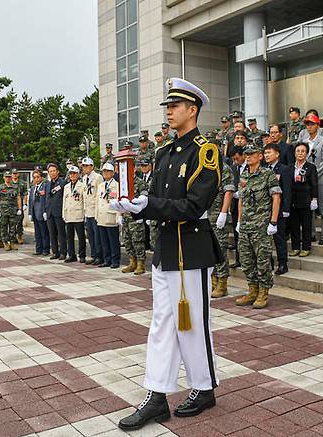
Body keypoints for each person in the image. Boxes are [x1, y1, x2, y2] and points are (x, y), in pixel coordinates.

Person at [111, 78, 222, 430]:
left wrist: (148, 205)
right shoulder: (164, 153)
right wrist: (133, 205)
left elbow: (192, 206)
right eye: (167, 106)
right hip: (166, 249)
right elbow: (156, 199)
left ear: (193, 110)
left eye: (175, 106)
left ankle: (203, 388)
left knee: (192, 326)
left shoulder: (205, 151)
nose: (169, 111)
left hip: (191, 249)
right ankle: (157, 396)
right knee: (162, 323)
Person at [235, 144, 281, 308]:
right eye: (246, 154)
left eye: (252, 154)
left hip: (261, 226)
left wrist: (273, 222)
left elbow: (276, 197)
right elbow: (241, 199)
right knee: (246, 260)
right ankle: (252, 290)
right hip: (246, 226)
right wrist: (239, 221)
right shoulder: (244, 175)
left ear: (260, 156)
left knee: (262, 261)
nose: (248, 157)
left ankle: (263, 292)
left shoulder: (267, 174)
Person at [263, 143, 292, 275]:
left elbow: (286, 190)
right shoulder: (263, 169)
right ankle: (269, 263)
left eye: (269, 152)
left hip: (279, 210)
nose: (266, 155)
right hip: (265, 209)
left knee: (279, 238)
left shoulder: (284, 169)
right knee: (265, 239)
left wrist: (285, 208)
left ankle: (282, 263)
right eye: (265, 153)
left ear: (277, 154)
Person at [304, 114, 323, 245]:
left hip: (320, 178)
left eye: (312, 124)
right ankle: (311, 233)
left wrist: (313, 175)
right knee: (310, 208)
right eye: (307, 124)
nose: (309, 126)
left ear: (317, 125)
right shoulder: (304, 141)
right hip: (307, 179)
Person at [209, 159, 235, 298]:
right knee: (208, 250)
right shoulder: (204, 166)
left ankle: (222, 283)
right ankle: (213, 281)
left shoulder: (223, 168)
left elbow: (229, 191)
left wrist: (224, 213)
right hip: (206, 215)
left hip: (218, 215)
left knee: (220, 249)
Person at [289, 143, 318, 257]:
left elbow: (314, 184)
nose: (300, 153)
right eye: (298, 151)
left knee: (306, 226)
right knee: (294, 226)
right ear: (294, 153)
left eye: (303, 151)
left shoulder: (311, 167)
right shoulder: (290, 167)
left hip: (306, 201)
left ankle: (306, 247)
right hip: (293, 201)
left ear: (307, 153)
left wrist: (314, 199)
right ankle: (295, 247)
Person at [120, 170, 149, 275]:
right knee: (127, 241)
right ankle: (132, 262)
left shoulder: (140, 183)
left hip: (136, 217)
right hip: (125, 216)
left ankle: (141, 264)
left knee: (138, 241)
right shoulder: (124, 184)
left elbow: (144, 197)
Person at [96, 162, 120, 268]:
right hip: (101, 216)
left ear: (112, 172)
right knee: (104, 241)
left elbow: (118, 201)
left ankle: (115, 260)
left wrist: (119, 216)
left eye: (108, 171)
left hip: (111, 216)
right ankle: (107, 259)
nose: (105, 173)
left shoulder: (116, 185)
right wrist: (96, 215)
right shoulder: (101, 185)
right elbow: (98, 201)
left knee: (113, 240)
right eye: (104, 171)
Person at [62, 166, 86, 263]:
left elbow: (84, 201)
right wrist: (64, 213)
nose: (72, 175)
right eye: (70, 173)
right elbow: (64, 201)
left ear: (78, 174)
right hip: (69, 215)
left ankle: (82, 255)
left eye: (74, 173)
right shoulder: (66, 187)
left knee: (81, 237)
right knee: (69, 237)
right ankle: (71, 255)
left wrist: (84, 214)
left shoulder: (82, 186)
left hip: (78, 214)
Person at [81, 157, 102, 265]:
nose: (84, 168)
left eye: (86, 166)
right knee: (90, 236)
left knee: (97, 235)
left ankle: (99, 256)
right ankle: (93, 255)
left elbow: (100, 195)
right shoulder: (84, 178)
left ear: (92, 166)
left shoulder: (98, 177)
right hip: (88, 211)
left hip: (96, 210)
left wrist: (98, 211)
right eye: (83, 166)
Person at [229, 146, 247, 268]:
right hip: (235, 205)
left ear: (243, 156)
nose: (235, 161)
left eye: (237, 158)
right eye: (233, 159)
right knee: (237, 234)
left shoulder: (251, 165)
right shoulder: (234, 167)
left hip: (248, 206)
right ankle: (238, 259)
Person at [0, 171, 22, 251]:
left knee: (13, 227)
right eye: (6, 177)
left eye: (9, 176)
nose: (8, 178)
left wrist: (19, 208)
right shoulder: (0, 187)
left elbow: (18, 198)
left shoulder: (15, 187)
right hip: (3, 211)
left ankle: (12, 242)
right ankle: (5, 243)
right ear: (3, 177)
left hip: (13, 210)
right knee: (3, 227)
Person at [45, 163, 67, 260]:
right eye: (50, 171)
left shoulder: (63, 183)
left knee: (61, 234)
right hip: (50, 212)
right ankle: (55, 252)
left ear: (57, 171)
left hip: (59, 212)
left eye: (54, 171)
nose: (52, 173)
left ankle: (63, 252)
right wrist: (45, 210)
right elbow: (47, 198)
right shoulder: (48, 184)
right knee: (52, 233)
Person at [29, 169, 50, 256]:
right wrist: (30, 212)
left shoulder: (45, 186)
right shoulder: (33, 187)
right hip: (35, 213)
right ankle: (38, 249)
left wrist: (45, 211)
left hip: (41, 212)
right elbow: (31, 201)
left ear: (41, 177)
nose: (36, 179)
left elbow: (46, 200)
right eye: (34, 177)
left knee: (44, 233)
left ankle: (46, 249)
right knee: (37, 233)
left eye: (38, 177)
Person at [140, 158, 158, 253]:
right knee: (143, 226)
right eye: (142, 166)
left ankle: (152, 244)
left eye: (145, 166)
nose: (143, 168)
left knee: (151, 226)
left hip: (150, 203)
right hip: (142, 205)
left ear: (150, 166)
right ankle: (145, 243)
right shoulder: (140, 176)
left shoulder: (154, 176)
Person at [11, 169, 28, 244]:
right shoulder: (8, 183)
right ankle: (12, 237)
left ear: (18, 174)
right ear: (11, 174)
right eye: (13, 173)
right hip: (10, 205)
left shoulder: (22, 183)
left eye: (16, 173)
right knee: (11, 222)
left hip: (19, 205)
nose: (14, 175)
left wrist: (25, 204)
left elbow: (25, 194)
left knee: (19, 221)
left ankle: (19, 236)